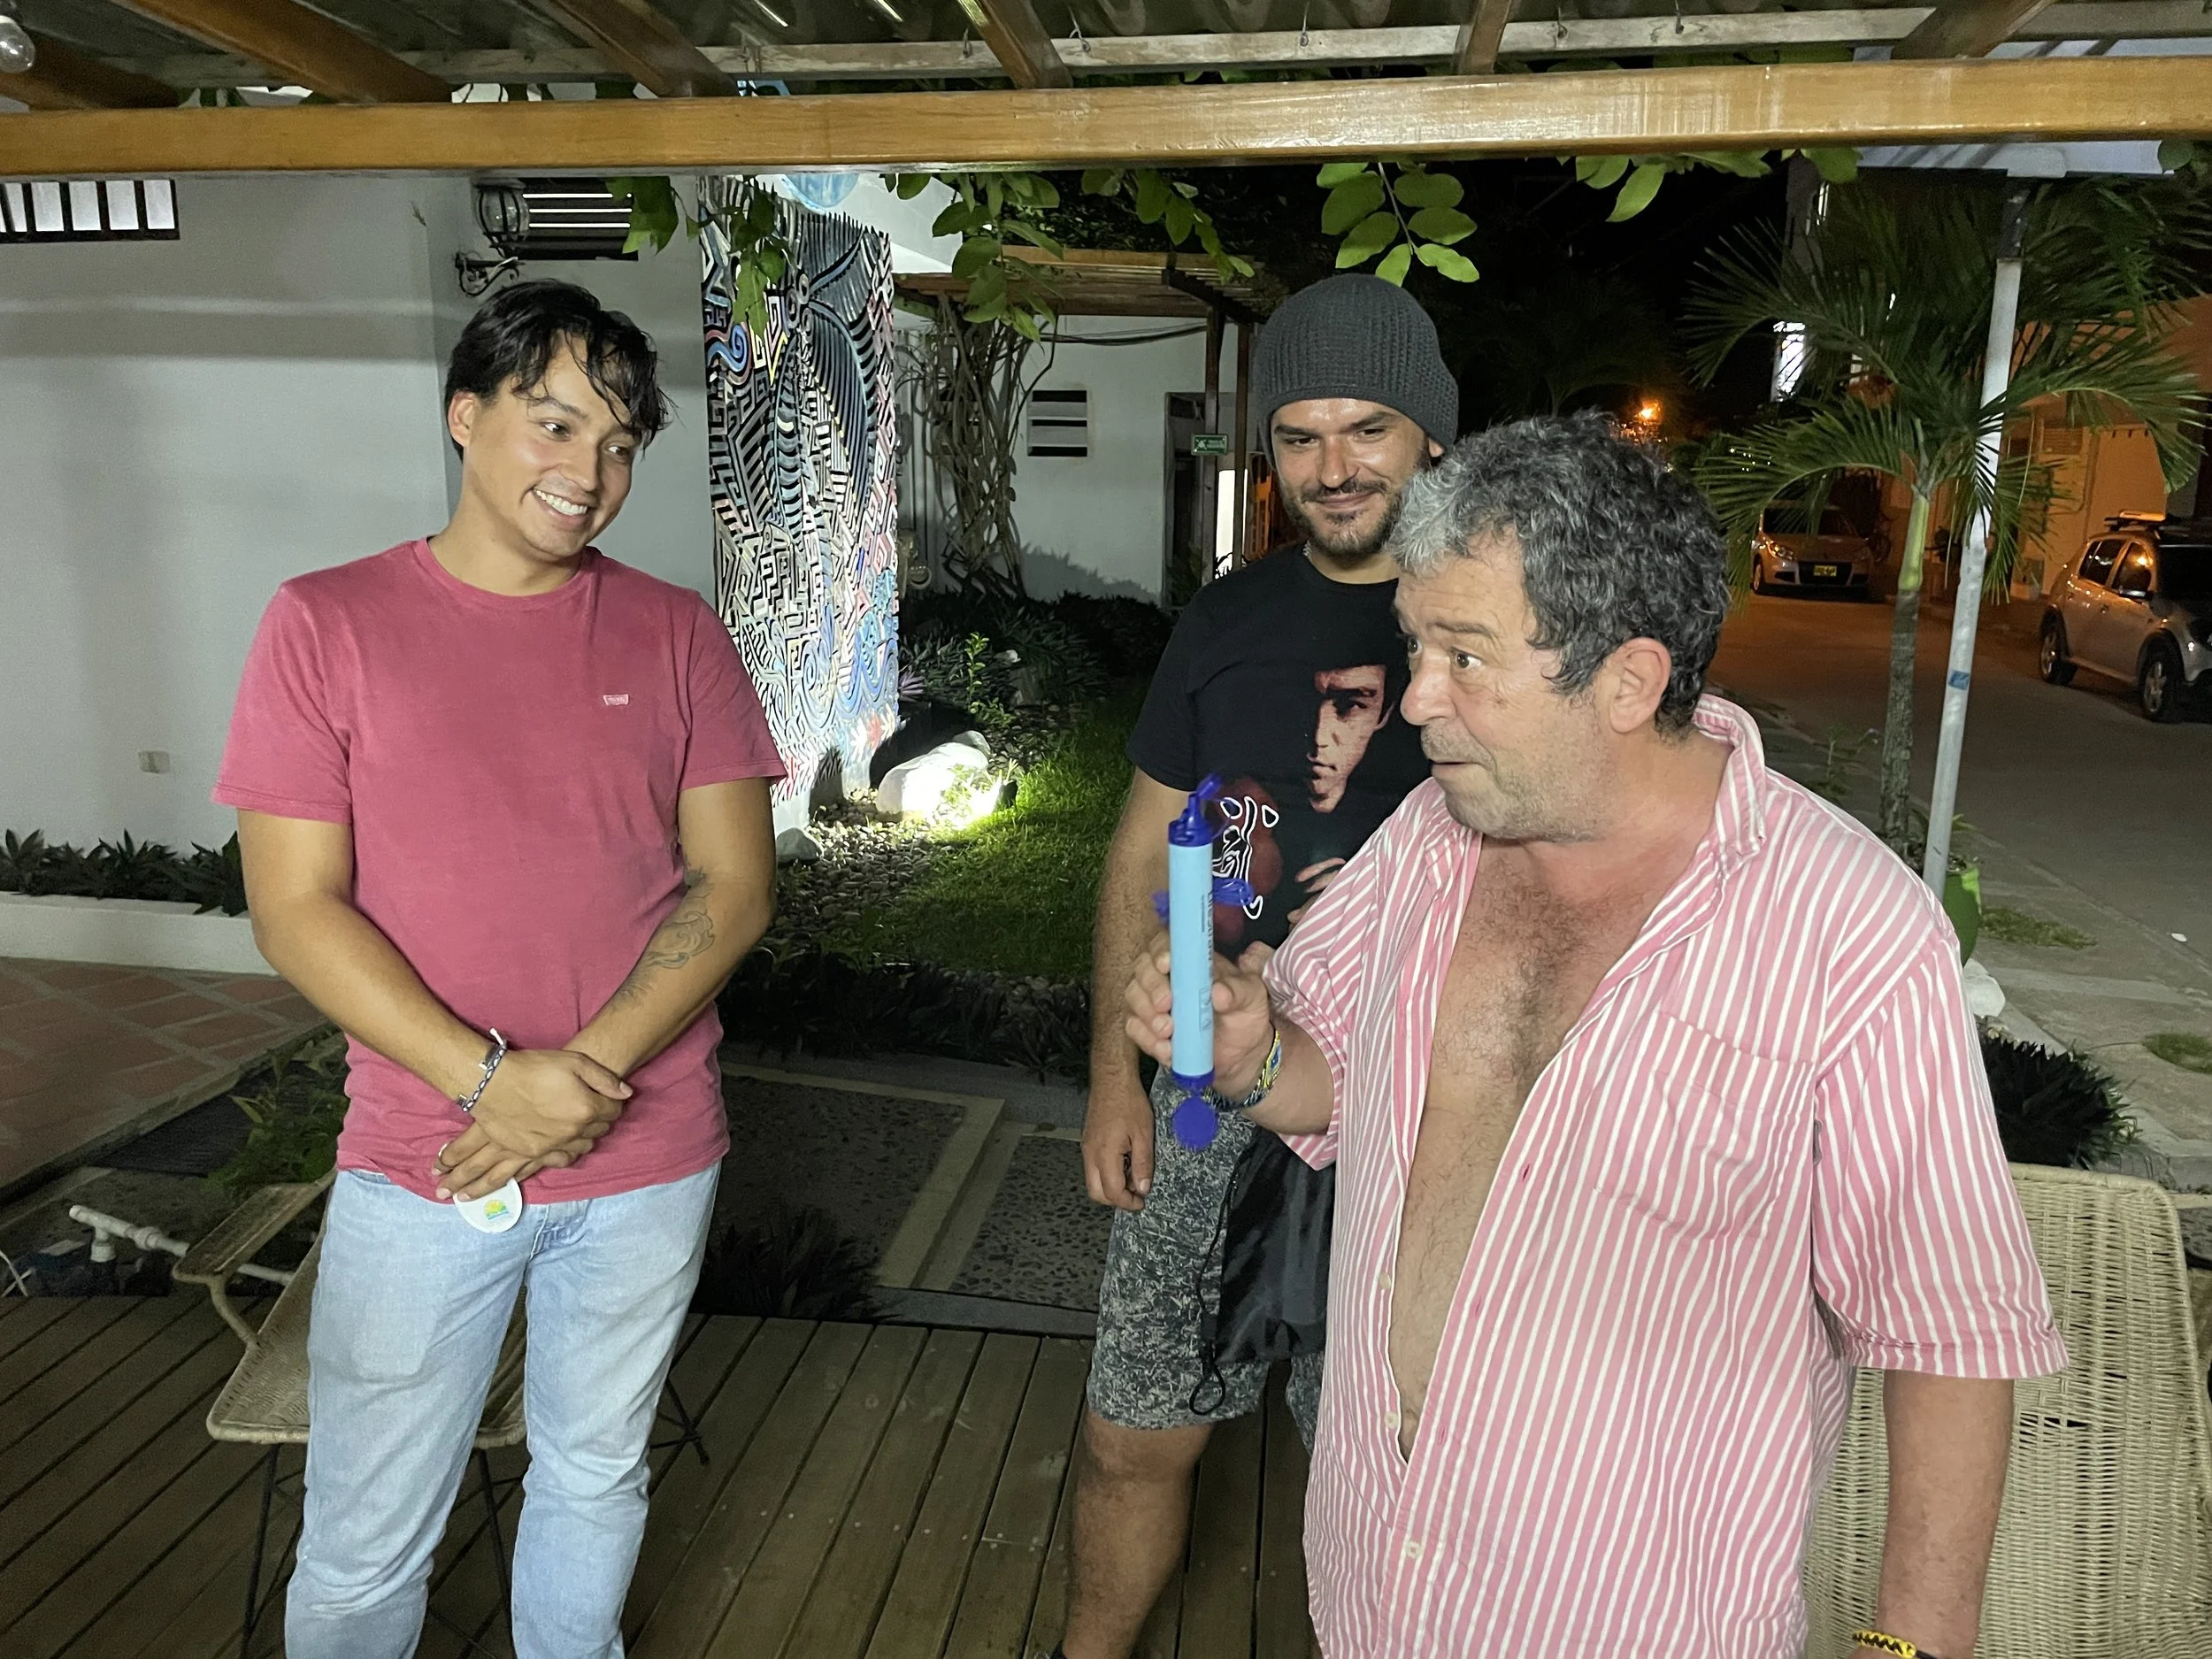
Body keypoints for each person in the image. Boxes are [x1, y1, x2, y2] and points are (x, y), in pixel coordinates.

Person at [1124, 414, 2067, 1658]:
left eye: (1465, 657)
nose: (1417, 700)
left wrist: (1913, 1644)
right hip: (1373, 1595)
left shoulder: (1850, 935)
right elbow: (1334, 1081)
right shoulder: (1429, 842)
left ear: (1628, 679)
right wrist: (1246, 1052)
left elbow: (1946, 1335)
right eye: (1416, 645)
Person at [215, 279, 783, 1659]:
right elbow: (296, 909)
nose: (589, 473)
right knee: (365, 1534)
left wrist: (570, 1084)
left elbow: (737, 885)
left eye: (621, 443)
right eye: (554, 423)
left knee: (595, 1475)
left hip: (647, 1161)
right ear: (464, 417)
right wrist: (491, 1081)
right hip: (426, 1157)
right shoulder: (325, 622)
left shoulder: (674, 632)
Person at [1064, 274, 1455, 1659]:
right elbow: (1142, 859)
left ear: (1430, 439)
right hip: (1199, 1091)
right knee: (1133, 1431)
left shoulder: (1484, 626)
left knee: (1393, 1470)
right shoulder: (1225, 621)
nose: (1334, 466)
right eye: (1300, 434)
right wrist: (1119, 1080)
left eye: (1367, 429)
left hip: (1411, 1116)